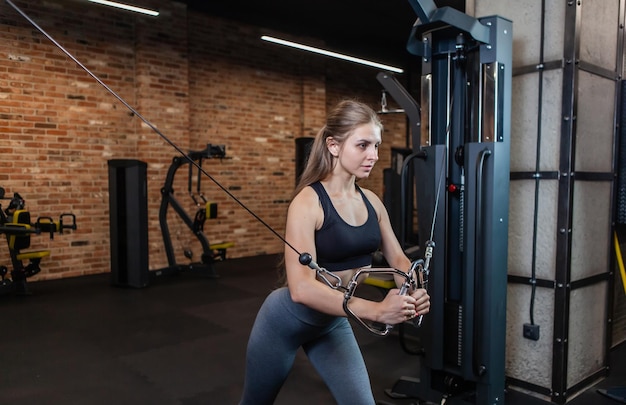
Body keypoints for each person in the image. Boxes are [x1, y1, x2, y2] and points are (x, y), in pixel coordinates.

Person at [239, 99, 430, 405]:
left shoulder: (372, 202)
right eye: (363, 145)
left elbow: (399, 260)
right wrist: (378, 310)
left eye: (377, 146)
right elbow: (301, 289)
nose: (374, 156)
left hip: (332, 321)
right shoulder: (308, 202)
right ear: (334, 145)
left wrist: (413, 291)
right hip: (284, 322)